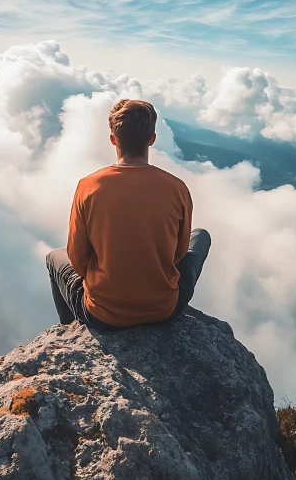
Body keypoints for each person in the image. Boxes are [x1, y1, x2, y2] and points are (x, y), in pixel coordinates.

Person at [46, 99, 211, 332]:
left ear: (113, 139)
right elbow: (179, 254)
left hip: (103, 315)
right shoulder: (177, 188)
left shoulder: (89, 186)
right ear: (152, 139)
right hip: (163, 309)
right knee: (201, 236)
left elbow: (77, 259)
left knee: (54, 257)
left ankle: (70, 328)